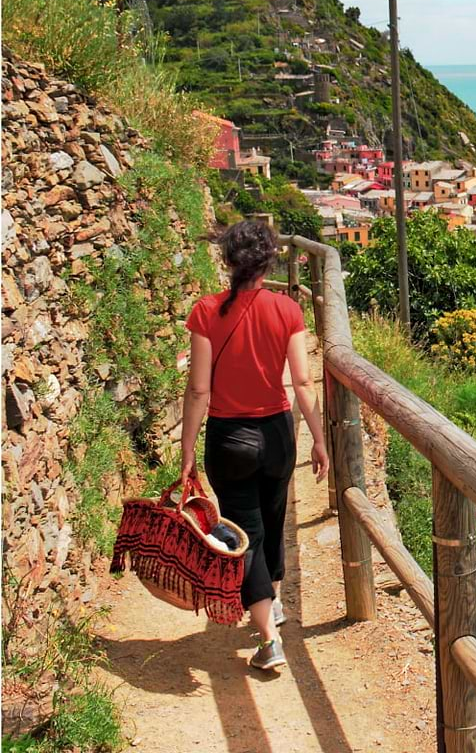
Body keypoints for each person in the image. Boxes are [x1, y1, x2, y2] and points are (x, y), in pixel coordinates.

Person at [180, 220, 330, 671]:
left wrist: (187, 449)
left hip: (229, 440)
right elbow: (302, 381)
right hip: (279, 434)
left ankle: (269, 638)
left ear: (227, 262)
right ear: (268, 263)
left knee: (243, 534)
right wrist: (320, 439)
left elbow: (198, 391)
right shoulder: (287, 310)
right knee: (272, 519)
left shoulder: (206, 312)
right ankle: (275, 605)